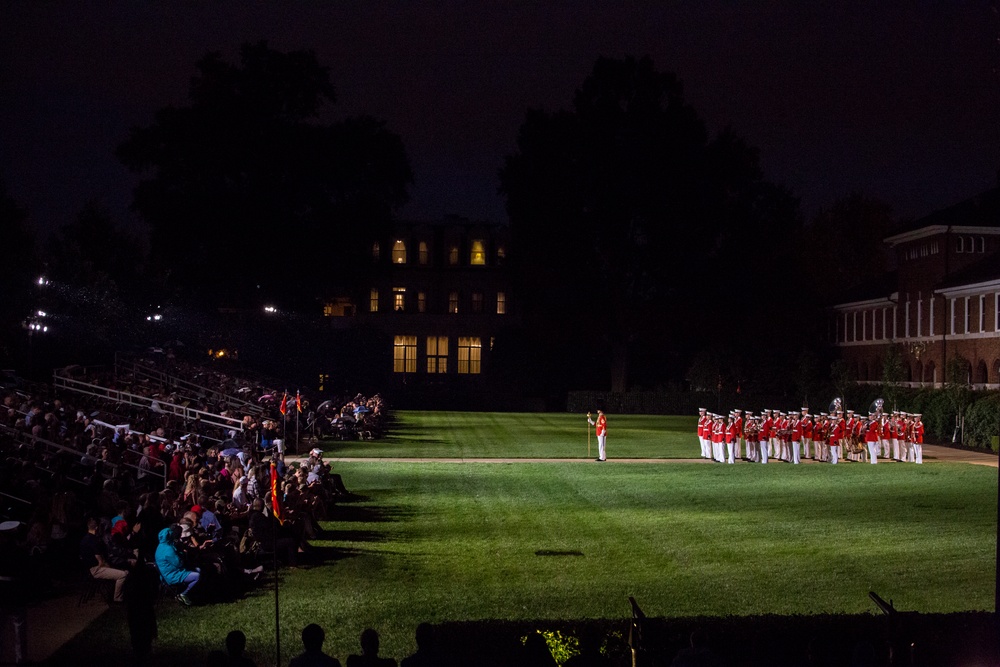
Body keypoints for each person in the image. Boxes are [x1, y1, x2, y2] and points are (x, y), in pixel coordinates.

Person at [79, 516, 128, 603]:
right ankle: (117, 598)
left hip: (87, 569)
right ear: (97, 528)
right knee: (122, 574)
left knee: (120, 570)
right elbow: (100, 562)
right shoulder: (94, 541)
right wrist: (111, 567)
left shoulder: (83, 540)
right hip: (96, 569)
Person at [155, 525, 200, 606]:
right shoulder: (168, 549)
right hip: (172, 575)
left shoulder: (160, 547)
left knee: (197, 569)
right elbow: (178, 563)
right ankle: (183, 594)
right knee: (197, 576)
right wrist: (183, 555)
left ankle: (190, 594)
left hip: (165, 574)